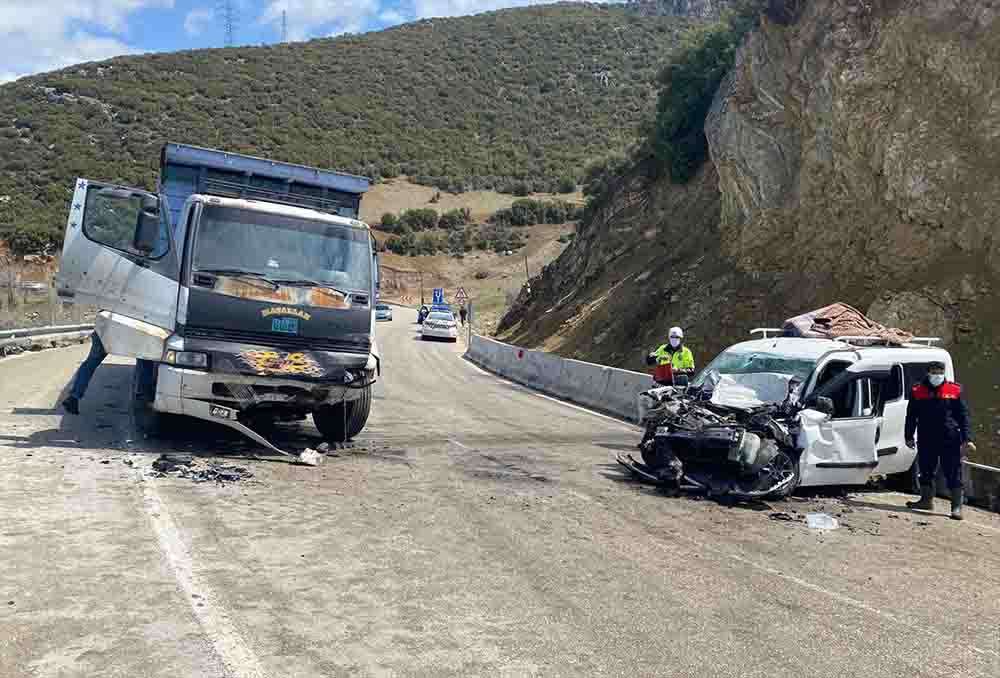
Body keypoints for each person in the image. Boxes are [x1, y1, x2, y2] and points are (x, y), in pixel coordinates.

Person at [904, 361, 975, 520]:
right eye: (934, 372)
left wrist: (967, 439)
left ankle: (956, 507)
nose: (937, 375)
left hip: (949, 438)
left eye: (940, 371)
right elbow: (911, 416)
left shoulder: (954, 390)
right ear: (928, 373)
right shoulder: (917, 390)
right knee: (925, 470)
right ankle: (925, 500)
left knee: (953, 471)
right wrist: (908, 436)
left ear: (944, 372)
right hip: (926, 437)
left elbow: (963, 417)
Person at [62, 331, 108, 414]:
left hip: (103, 331)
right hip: (111, 334)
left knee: (89, 364)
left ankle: (73, 397)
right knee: (90, 364)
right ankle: (73, 398)